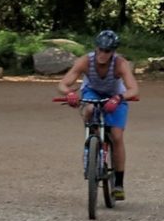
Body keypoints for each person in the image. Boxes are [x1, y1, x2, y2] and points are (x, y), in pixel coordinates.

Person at [59, 30, 140, 201]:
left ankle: (118, 183)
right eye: (100, 50)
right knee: (89, 109)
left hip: (115, 96)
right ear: (96, 48)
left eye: (107, 51)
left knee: (117, 136)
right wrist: (70, 94)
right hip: (92, 93)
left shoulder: (120, 64)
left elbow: (133, 89)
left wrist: (118, 98)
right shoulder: (85, 61)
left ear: (113, 51)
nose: (103, 54)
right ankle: (92, 144)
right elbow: (64, 83)